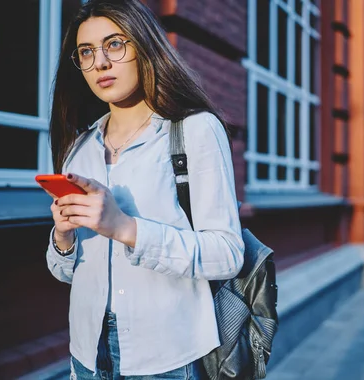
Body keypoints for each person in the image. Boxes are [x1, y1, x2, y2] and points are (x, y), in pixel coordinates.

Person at [45, 0, 245, 379]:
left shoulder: (194, 130)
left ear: (144, 45)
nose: (100, 62)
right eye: (86, 52)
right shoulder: (80, 149)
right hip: (87, 353)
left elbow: (228, 253)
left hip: (166, 355)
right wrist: (64, 236)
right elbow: (66, 273)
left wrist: (125, 229)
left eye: (115, 44)